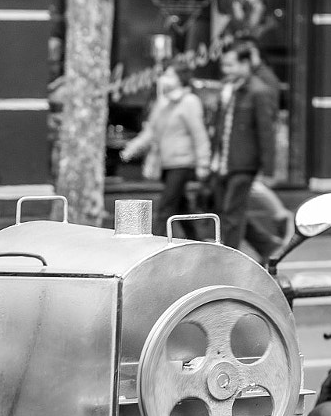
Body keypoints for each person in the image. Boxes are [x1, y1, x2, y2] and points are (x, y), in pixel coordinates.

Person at [207, 45, 281, 262]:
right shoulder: (229, 89)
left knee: (231, 212)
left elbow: (266, 132)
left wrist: (268, 169)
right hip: (223, 162)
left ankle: (229, 261)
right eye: (223, 64)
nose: (225, 69)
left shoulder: (259, 91)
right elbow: (220, 128)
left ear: (245, 64)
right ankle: (267, 245)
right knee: (227, 211)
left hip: (244, 164)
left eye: (230, 64)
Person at [121, 65, 211, 239]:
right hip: (167, 163)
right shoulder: (163, 102)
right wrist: (132, 148)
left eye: (170, 75)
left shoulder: (189, 102)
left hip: (182, 163)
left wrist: (203, 163)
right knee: (180, 207)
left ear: (181, 80)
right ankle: (198, 242)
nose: (164, 79)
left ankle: (155, 243)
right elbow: (152, 131)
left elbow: (199, 135)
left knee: (166, 206)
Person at [235, 42, 293, 250]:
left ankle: (280, 217)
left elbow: (266, 121)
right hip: (247, 144)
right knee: (238, 201)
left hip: (252, 144)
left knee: (250, 188)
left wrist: (265, 161)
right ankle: (267, 241)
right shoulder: (251, 79)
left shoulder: (263, 80)